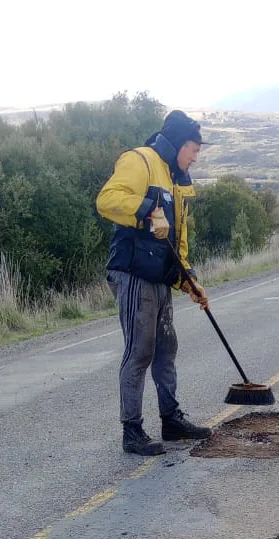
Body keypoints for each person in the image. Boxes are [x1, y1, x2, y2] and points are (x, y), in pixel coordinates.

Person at [96, 110, 213, 456]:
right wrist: (148, 209)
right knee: (140, 351)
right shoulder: (140, 161)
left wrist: (190, 280)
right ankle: (132, 431)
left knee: (167, 349)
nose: (195, 156)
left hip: (160, 276)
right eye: (193, 149)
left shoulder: (178, 179)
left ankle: (171, 420)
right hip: (132, 274)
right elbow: (107, 200)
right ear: (178, 144)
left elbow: (178, 240)